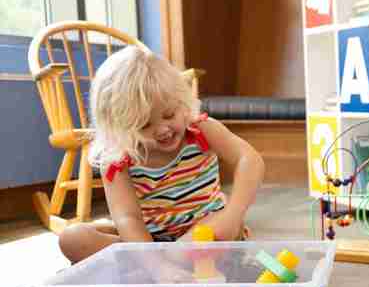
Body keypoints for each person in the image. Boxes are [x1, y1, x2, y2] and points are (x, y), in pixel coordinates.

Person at [58, 46, 265, 268]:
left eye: (169, 115)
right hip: (149, 240)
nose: (163, 130)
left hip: (204, 229)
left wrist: (233, 214)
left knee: (194, 244)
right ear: (118, 127)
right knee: (72, 238)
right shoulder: (118, 158)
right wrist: (155, 265)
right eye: (144, 125)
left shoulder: (201, 129)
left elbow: (250, 159)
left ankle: (151, 268)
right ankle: (156, 267)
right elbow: (128, 218)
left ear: (181, 101)